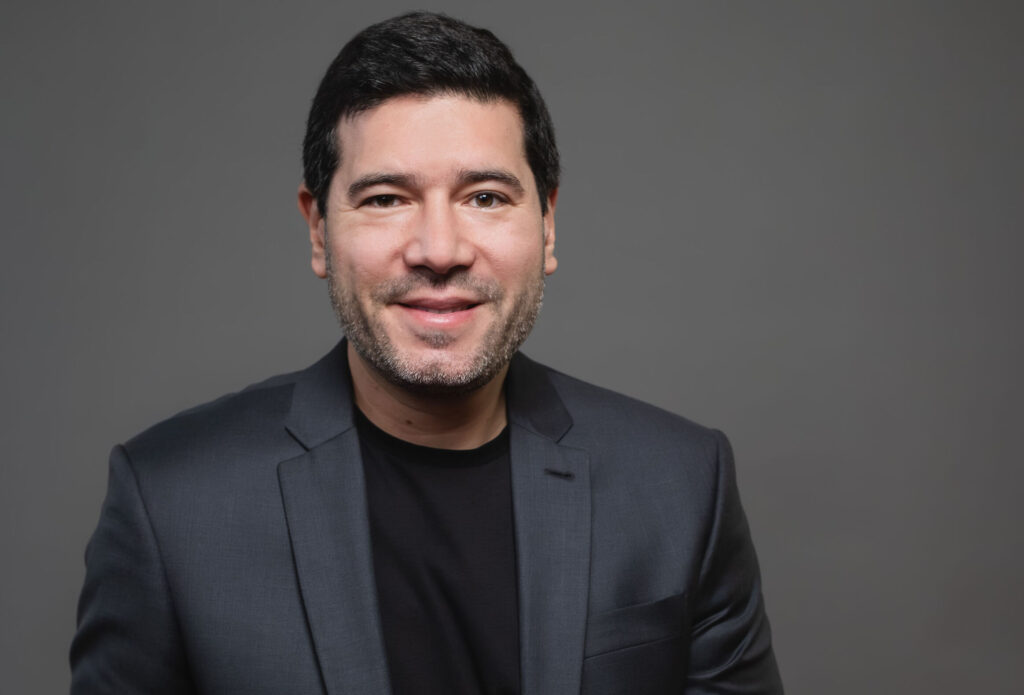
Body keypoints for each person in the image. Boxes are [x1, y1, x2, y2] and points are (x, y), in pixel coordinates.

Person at [70, 12, 783, 695]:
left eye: (485, 197)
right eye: (386, 198)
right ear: (319, 231)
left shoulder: (682, 487)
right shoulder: (171, 504)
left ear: (547, 224)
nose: (439, 250)